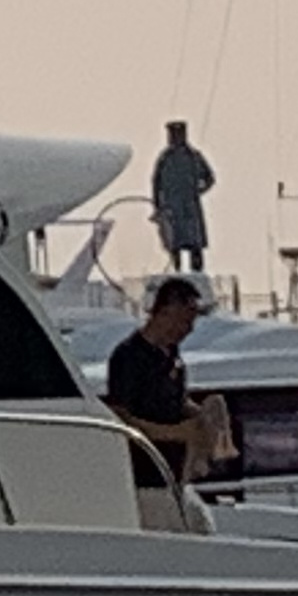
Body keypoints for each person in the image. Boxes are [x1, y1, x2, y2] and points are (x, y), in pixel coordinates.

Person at [102, 276, 231, 489]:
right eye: (184, 321)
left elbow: (174, 401)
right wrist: (173, 433)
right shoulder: (129, 356)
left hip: (175, 471)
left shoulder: (171, 354)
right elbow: (121, 418)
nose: (188, 330)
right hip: (146, 473)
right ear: (164, 313)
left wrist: (200, 416)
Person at [151, 122, 216, 277]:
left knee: (195, 244)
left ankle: (198, 272)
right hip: (172, 209)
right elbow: (156, 183)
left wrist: (199, 190)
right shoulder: (165, 159)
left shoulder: (194, 157)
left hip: (190, 208)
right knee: (175, 245)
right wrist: (158, 207)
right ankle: (178, 272)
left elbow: (210, 178)